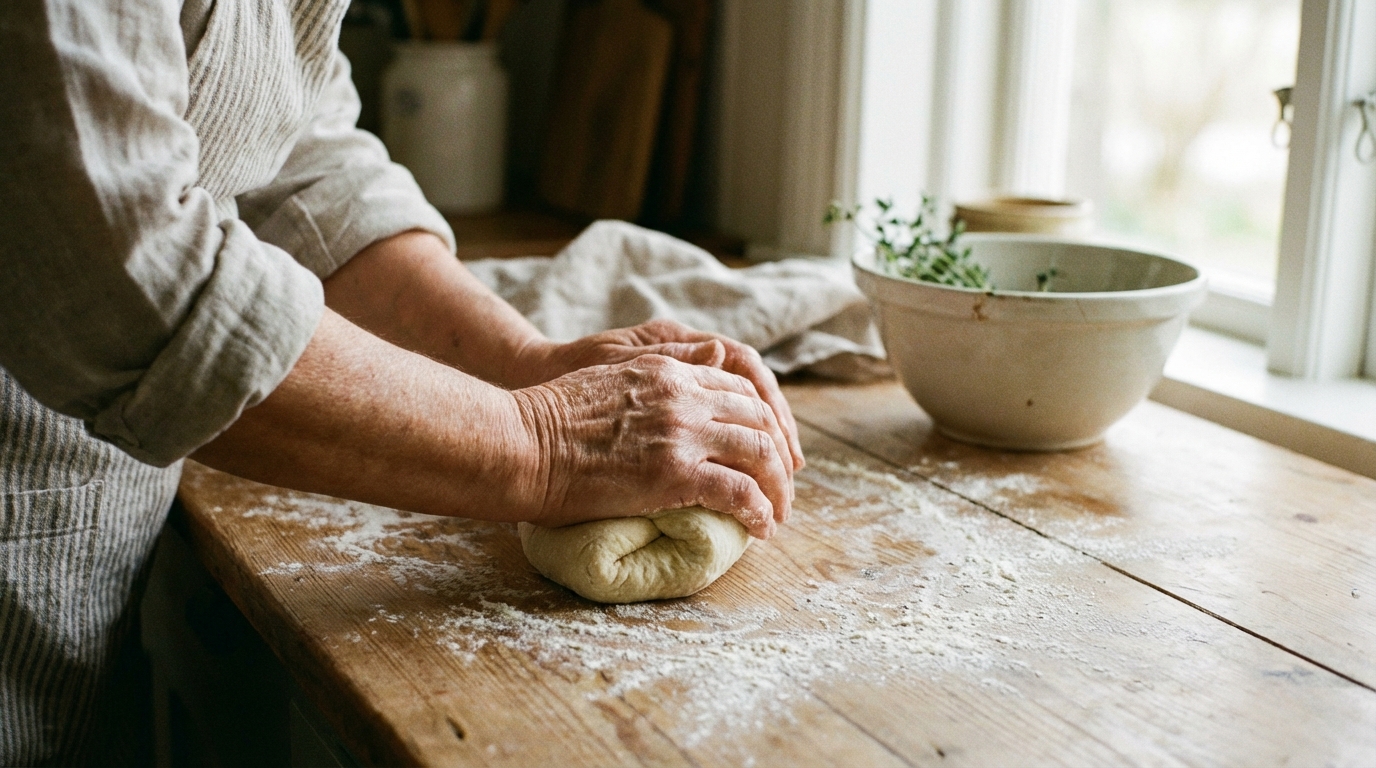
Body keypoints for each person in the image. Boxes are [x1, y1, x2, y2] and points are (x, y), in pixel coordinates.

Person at [0, 0, 801, 763]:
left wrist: (524, 363)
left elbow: (297, 159)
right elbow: (121, 276)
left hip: (77, 579)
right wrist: (543, 444)